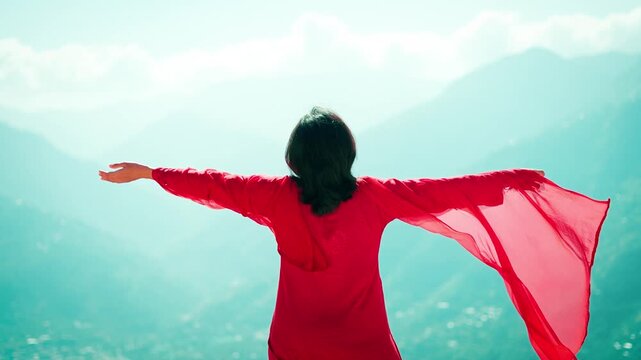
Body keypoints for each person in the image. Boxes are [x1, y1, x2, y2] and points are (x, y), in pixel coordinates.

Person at [99, 106, 610, 360]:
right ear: (348, 153)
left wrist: (150, 173)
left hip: (296, 346)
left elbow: (213, 184)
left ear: (293, 158)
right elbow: (453, 190)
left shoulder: (273, 196)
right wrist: (514, 182)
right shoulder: (377, 196)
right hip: (365, 347)